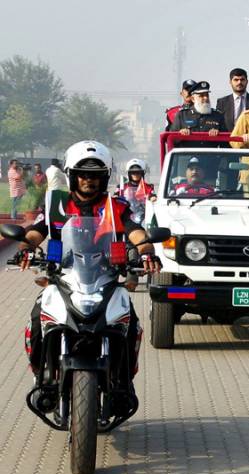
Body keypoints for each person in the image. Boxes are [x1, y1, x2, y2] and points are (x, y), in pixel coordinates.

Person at [17, 141, 160, 385]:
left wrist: (147, 251)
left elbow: (135, 232)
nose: (88, 180)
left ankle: (124, 379)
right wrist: (25, 249)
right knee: (37, 317)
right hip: (64, 277)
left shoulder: (116, 207)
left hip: (106, 278)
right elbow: (35, 232)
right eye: (82, 174)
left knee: (131, 323)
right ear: (71, 175)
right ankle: (42, 375)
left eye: (95, 175)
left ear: (104, 178)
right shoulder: (58, 205)